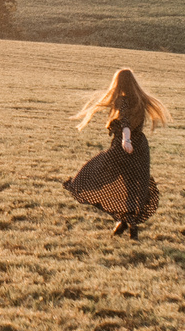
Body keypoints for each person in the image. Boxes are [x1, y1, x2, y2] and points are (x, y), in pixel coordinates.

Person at [65, 67, 168, 240]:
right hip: (141, 147)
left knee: (96, 175)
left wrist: (125, 140)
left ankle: (126, 222)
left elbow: (125, 122)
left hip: (124, 148)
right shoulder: (140, 99)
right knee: (134, 186)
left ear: (118, 83)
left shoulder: (123, 100)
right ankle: (128, 224)